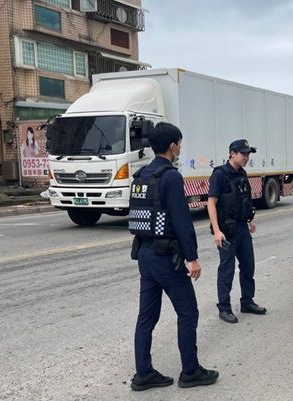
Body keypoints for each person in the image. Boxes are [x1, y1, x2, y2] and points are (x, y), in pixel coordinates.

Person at [129, 122, 218, 391]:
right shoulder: (170, 177)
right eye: (179, 143)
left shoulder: (142, 174)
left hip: (145, 253)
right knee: (188, 312)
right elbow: (181, 221)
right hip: (167, 257)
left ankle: (143, 373)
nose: (180, 148)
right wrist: (192, 257)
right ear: (172, 145)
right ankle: (190, 371)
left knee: (146, 317)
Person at [208, 139, 267, 323]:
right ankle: (224, 308)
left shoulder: (242, 173)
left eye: (248, 154)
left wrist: (250, 220)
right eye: (243, 154)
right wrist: (216, 231)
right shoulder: (219, 174)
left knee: (248, 266)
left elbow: (244, 200)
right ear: (232, 153)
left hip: (242, 227)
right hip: (226, 230)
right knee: (227, 270)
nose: (246, 157)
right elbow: (211, 202)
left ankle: (247, 302)